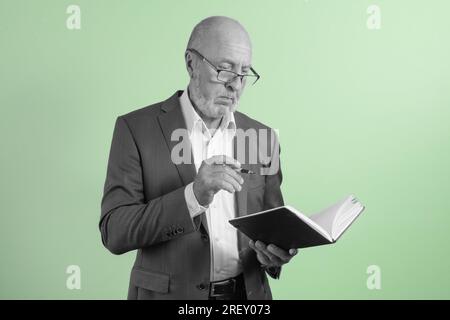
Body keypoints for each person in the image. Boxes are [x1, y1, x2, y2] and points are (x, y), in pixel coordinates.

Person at [100, 16, 298, 300]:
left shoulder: (264, 137)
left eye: (244, 73)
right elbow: (115, 231)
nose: (235, 85)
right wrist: (193, 196)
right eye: (224, 69)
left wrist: (274, 255)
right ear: (191, 63)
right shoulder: (135, 130)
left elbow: (272, 226)